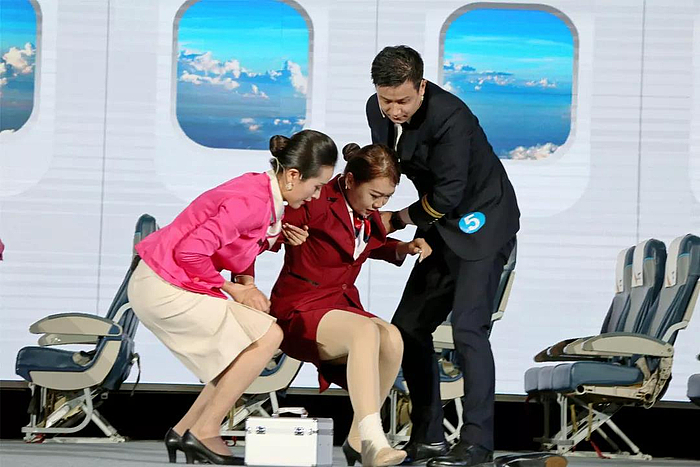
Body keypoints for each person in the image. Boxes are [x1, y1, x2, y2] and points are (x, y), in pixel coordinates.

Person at [127, 130, 337, 465]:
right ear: (294, 175)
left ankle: (185, 430)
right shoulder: (253, 202)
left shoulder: (260, 191)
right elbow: (190, 253)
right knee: (267, 336)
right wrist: (236, 289)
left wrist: (248, 279)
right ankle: (205, 430)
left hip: (162, 279)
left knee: (244, 346)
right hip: (162, 285)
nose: (316, 195)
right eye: (316, 186)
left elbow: (238, 245)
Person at [366, 46, 520, 467]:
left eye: (403, 100)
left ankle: (477, 443)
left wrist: (397, 220)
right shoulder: (377, 110)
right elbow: (387, 168)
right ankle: (428, 437)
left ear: (421, 86)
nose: (394, 110)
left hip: (482, 221)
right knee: (409, 327)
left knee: (469, 329)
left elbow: (450, 193)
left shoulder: (451, 117)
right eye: (386, 100)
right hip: (438, 224)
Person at [269, 143, 431, 467]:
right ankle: (375, 438)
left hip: (338, 305)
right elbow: (267, 230)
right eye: (375, 195)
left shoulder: (363, 211)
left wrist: (402, 248)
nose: (380, 204)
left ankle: (359, 441)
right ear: (350, 180)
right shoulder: (316, 200)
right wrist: (280, 237)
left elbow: (363, 244)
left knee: (392, 338)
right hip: (300, 308)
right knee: (365, 331)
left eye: (387, 197)